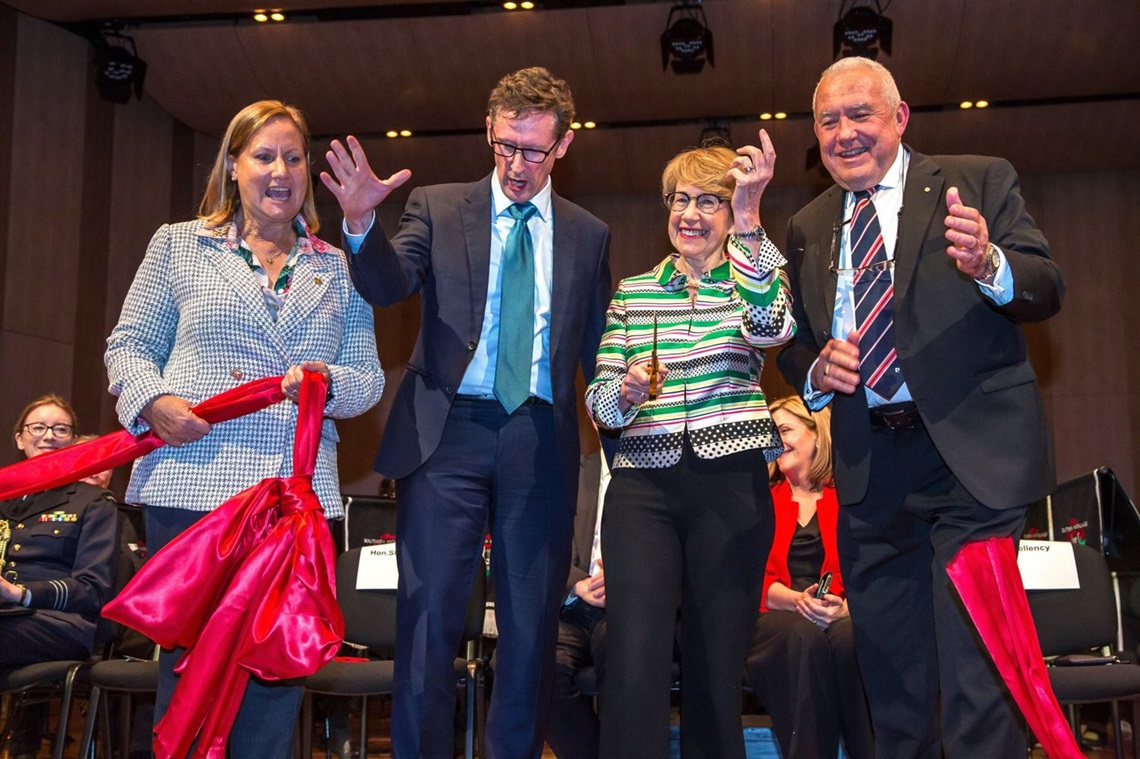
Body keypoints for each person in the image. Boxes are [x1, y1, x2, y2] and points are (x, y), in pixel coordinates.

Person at [319, 66, 612, 759]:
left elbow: (602, 348)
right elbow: (390, 285)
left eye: (534, 150)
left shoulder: (588, 233)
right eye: (505, 145)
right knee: (428, 622)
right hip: (445, 433)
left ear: (563, 146)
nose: (516, 165)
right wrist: (361, 223)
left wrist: (624, 401)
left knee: (531, 627)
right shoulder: (438, 206)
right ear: (489, 130)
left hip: (539, 435)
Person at [778, 57, 1064, 758]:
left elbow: (1045, 285)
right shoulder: (809, 226)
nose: (844, 133)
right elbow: (793, 343)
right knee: (894, 682)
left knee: (978, 674)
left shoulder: (980, 178)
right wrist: (815, 367)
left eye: (860, 115)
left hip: (974, 464)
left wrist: (989, 262)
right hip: (875, 475)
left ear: (900, 118)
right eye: (828, 120)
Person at [104, 99, 384, 759]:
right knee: (189, 674)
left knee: (274, 679)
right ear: (233, 166)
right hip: (193, 486)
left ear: (308, 170)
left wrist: (325, 379)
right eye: (263, 155)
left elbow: (368, 379)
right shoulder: (177, 243)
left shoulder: (339, 267)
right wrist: (153, 401)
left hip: (291, 502)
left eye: (292, 157)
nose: (279, 170)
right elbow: (128, 344)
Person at [586, 134, 795, 759]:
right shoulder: (634, 291)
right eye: (681, 200)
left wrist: (753, 222)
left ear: (732, 214)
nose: (691, 214)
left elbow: (776, 328)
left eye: (711, 201)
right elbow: (596, 399)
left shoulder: (754, 273)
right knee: (633, 658)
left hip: (730, 487)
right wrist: (621, 394)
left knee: (715, 665)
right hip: (642, 493)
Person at [744, 396, 873, 759]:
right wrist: (796, 601)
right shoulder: (761, 502)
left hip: (836, 615)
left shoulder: (849, 500)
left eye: (784, 429)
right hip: (774, 620)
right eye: (770, 432)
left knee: (850, 639)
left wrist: (846, 608)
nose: (775, 439)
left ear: (818, 434)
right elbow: (748, 582)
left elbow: (868, 573)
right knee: (804, 637)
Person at [0, 395, 118, 759]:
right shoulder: (3, 498)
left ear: (73, 442)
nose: (48, 435)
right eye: (38, 427)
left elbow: (94, 589)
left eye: (60, 429)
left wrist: (20, 594)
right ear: (20, 438)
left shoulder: (92, 502)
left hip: (59, 623)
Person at [546, 450, 610, 759]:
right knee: (532, 663)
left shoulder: (664, 467)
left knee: (624, 652)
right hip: (574, 605)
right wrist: (577, 584)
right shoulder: (568, 468)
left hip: (635, 608)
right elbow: (544, 542)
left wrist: (630, 581)